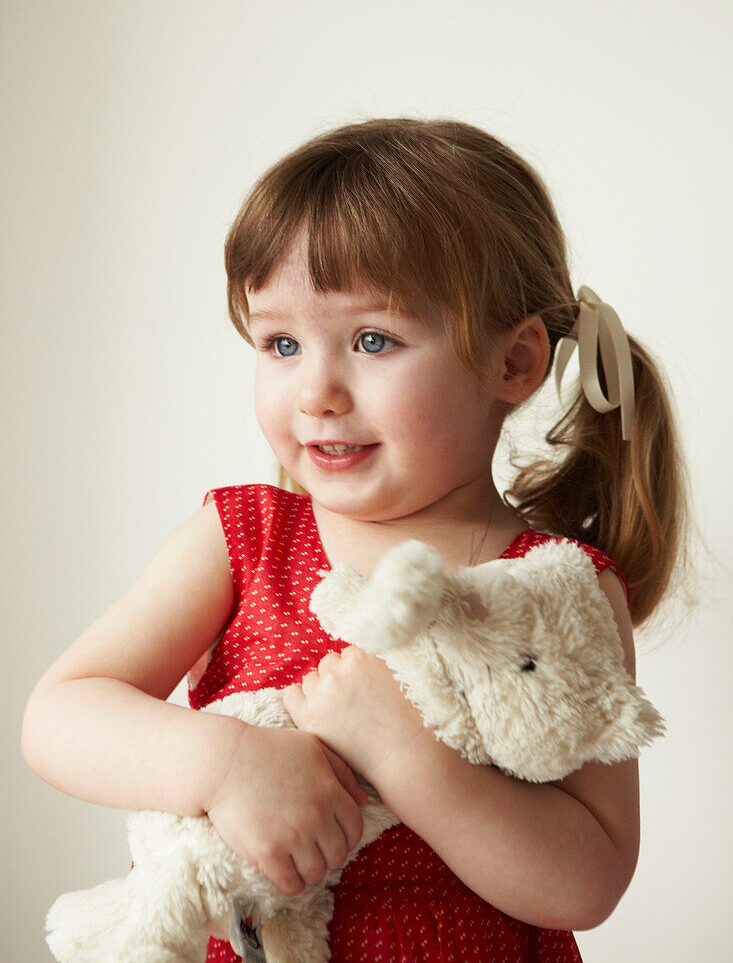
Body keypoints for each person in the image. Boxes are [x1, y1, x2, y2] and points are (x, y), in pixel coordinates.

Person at [22, 118, 690, 961]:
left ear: (513, 363)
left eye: (372, 340)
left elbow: (586, 882)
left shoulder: (557, 591)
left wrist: (410, 761)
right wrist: (224, 763)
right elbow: (59, 715)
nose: (315, 391)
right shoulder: (242, 540)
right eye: (281, 343)